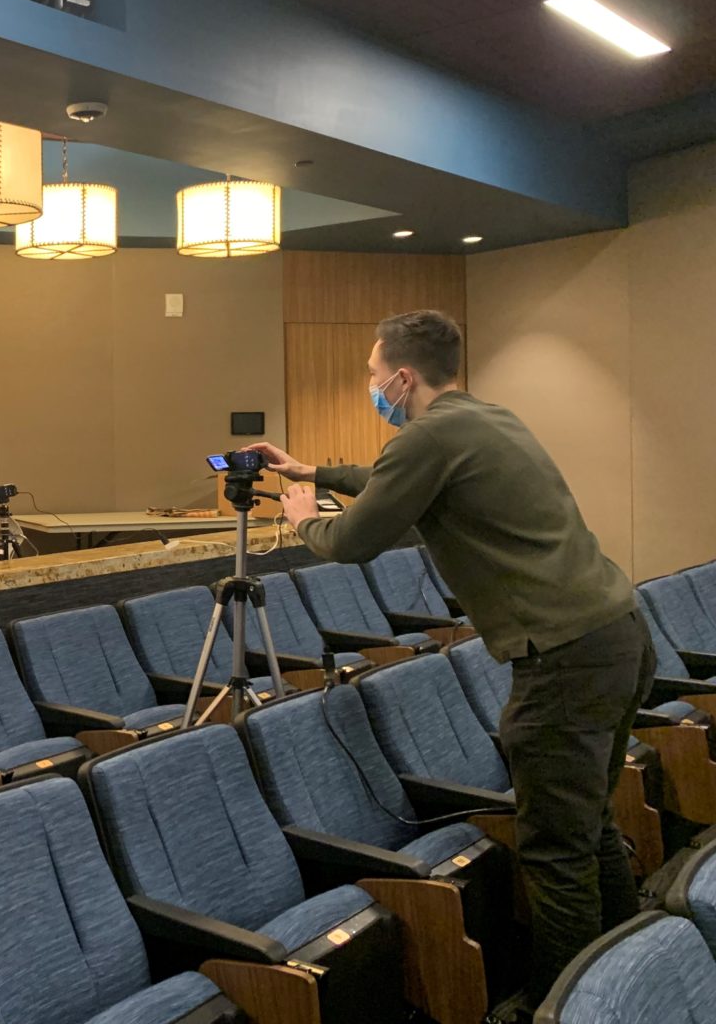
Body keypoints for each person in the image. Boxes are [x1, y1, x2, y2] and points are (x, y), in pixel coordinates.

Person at [248, 308, 654, 1012]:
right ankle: (628, 976)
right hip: (617, 636)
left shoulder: (429, 439)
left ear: (402, 378)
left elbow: (352, 540)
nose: (371, 388)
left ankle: (556, 1007)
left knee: (557, 853)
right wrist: (311, 466)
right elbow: (390, 475)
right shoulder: (484, 417)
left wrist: (302, 513)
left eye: (374, 377)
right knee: (588, 831)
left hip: (562, 661)